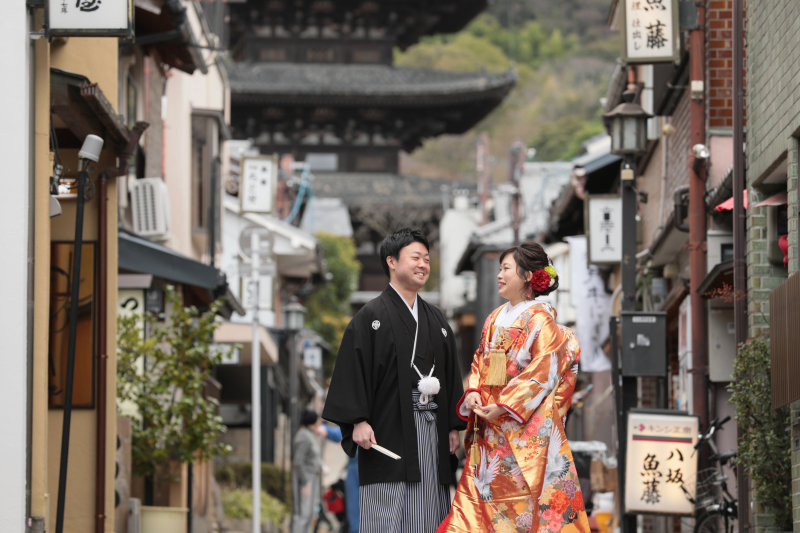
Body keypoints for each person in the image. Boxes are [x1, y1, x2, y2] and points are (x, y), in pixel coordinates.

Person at [437, 242, 591, 533]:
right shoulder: (497, 317)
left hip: (520, 427)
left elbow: (543, 373)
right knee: (478, 504)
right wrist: (474, 392)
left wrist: (505, 406)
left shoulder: (541, 321)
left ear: (528, 276)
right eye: (500, 269)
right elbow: (485, 365)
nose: (500, 275)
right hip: (490, 426)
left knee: (520, 509)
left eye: (506, 269)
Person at [323, 227, 466, 533]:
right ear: (391, 261)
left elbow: (452, 373)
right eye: (415, 257)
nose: (423, 265)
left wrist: (454, 425)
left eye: (426, 259)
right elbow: (352, 370)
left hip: (432, 428)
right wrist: (358, 420)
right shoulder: (369, 317)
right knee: (387, 513)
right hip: (387, 430)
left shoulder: (437, 319)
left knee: (432, 512)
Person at [293, 410, 324, 533]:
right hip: (305, 477)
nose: (320, 421)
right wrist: (306, 482)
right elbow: (298, 461)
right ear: (313, 421)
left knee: (310, 514)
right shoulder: (304, 436)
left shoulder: (310, 434)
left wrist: (322, 466)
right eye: (318, 419)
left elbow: (313, 457)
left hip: (312, 477)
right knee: (303, 514)